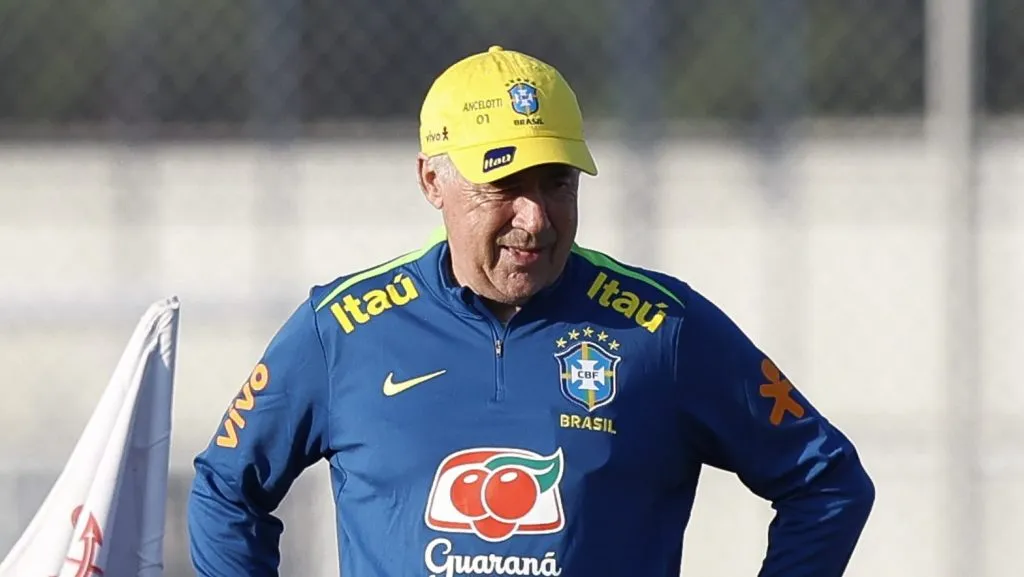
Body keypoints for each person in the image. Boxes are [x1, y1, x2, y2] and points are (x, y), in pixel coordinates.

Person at [187, 45, 875, 576]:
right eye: (504, 184)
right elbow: (224, 488)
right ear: (432, 179)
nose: (535, 217)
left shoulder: (664, 329)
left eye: (557, 183)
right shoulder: (341, 328)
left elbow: (827, 481)